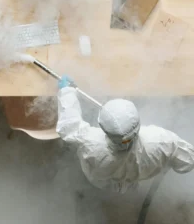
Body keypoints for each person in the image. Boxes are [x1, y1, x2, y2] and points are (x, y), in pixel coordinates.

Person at [56, 76, 194, 193]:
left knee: (108, 185)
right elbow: (188, 162)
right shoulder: (162, 141)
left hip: (102, 181)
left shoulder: (90, 143)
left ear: (102, 127)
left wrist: (66, 92)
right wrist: (166, 159)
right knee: (131, 184)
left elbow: (69, 127)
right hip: (137, 178)